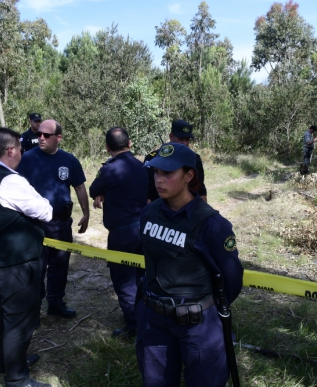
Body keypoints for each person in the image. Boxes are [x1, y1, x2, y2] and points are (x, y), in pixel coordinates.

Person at [136, 142, 244, 387]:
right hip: (154, 320)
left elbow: (232, 278)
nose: (159, 180)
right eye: (156, 172)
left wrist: (204, 308)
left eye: (168, 173)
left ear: (189, 176)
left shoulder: (212, 225)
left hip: (197, 324)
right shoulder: (149, 213)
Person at [0, 127, 53, 387]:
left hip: (0, 259)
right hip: (15, 263)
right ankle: (17, 377)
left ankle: (8, 360)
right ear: (10, 150)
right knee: (20, 319)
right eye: (20, 148)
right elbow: (45, 211)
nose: (21, 152)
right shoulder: (10, 180)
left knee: (7, 313)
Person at [17, 119, 90, 318]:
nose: (40, 137)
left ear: (58, 138)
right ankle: (33, 308)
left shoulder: (69, 160)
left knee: (60, 265)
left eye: (46, 135)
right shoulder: (27, 159)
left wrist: (86, 213)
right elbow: (16, 188)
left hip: (60, 223)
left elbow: (80, 187)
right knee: (36, 267)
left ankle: (56, 303)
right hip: (35, 224)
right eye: (39, 134)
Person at [89, 127, 148, 339]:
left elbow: (92, 190)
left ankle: (134, 328)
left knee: (124, 281)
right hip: (145, 231)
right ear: (130, 144)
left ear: (107, 147)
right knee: (143, 277)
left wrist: (103, 191)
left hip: (121, 234)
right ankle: (145, 320)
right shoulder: (143, 166)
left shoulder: (109, 170)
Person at [144, 119, 207, 203]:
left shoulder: (194, 158)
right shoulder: (153, 159)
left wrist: (204, 211)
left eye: (187, 139)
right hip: (159, 210)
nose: (184, 143)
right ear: (171, 137)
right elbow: (148, 191)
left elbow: (200, 188)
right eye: (181, 139)